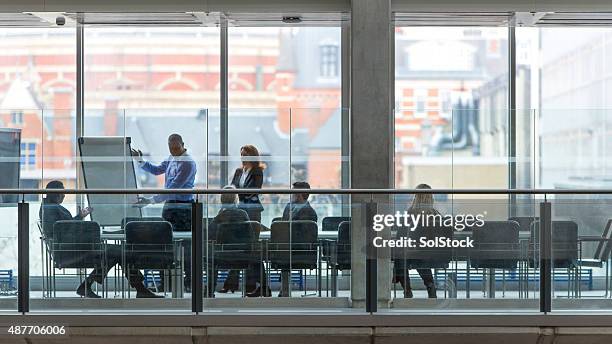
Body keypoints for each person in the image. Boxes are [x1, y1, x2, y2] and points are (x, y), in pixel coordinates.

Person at [39, 180, 161, 298]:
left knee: (117, 252)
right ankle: (139, 288)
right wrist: (84, 226)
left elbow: (65, 227)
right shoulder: (50, 209)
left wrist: (80, 218)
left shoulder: (50, 207)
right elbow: (61, 230)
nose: (64, 196)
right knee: (119, 252)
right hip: (69, 251)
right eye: (62, 193)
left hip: (71, 247)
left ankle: (88, 285)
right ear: (54, 193)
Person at [132, 133, 197, 292]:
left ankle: (188, 282)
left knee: (186, 247)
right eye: (171, 147)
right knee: (164, 243)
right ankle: (166, 282)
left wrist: (150, 200)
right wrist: (140, 160)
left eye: (176, 147)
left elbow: (173, 188)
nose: (174, 150)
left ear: (183, 144)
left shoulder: (188, 163)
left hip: (184, 208)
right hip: (171, 206)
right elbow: (156, 170)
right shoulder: (171, 158)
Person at [393, 183, 437, 298]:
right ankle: (430, 286)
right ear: (431, 197)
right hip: (432, 253)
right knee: (420, 258)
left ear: (416, 197)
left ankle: (407, 290)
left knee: (400, 257)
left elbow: (401, 236)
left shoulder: (410, 213)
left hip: (414, 253)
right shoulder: (435, 214)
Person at [276, 181, 318, 297]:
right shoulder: (289, 206)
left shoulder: (310, 213)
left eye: (292, 192)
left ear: (299, 194)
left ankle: (284, 290)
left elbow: (305, 237)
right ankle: (283, 289)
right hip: (288, 246)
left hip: (301, 250)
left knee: (282, 254)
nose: (290, 194)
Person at [209, 186, 250, 295]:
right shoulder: (243, 214)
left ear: (222, 199)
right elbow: (250, 235)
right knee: (236, 249)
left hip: (221, 258)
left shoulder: (221, 216)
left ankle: (209, 290)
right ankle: (233, 285)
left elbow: (210, 234)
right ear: (236, 199)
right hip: (241, 257)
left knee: (210, 258)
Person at [231, 144, 264, 223]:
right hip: (239, 207)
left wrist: (239, 194)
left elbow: (254, 190)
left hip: (252, 208)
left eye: (245, 155)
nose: (242, 157)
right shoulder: (238, 171)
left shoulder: (257, 171)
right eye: (241, 155)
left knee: (252, 232)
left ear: (252, 156)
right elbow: (232, 187)